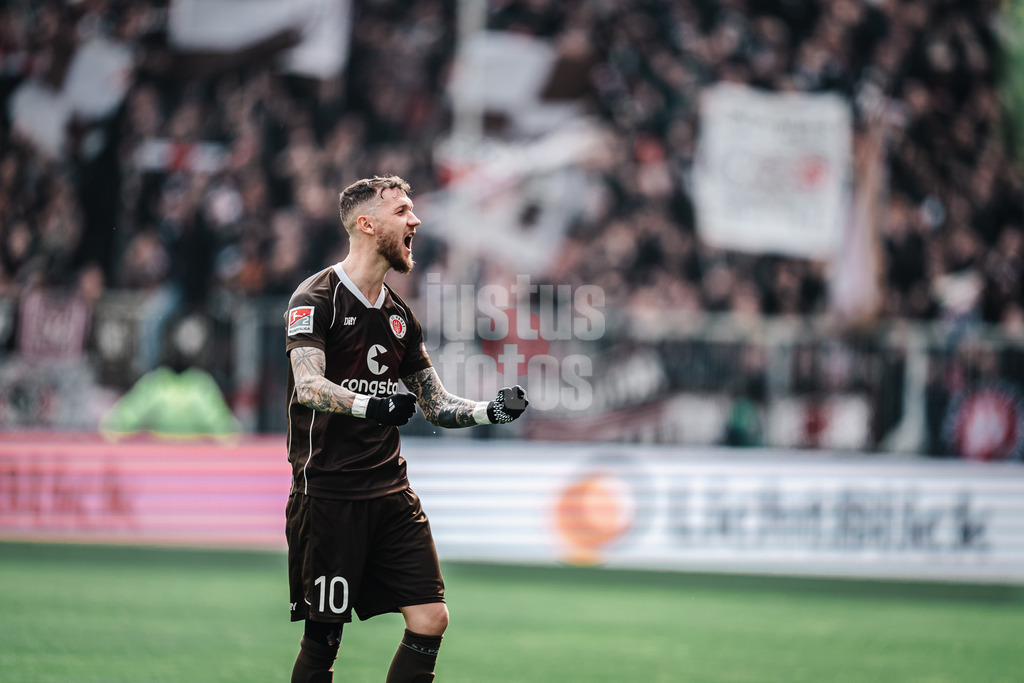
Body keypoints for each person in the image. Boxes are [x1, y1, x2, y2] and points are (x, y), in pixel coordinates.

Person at [284, 174, 528, 682]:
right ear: (366, 224)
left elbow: (435, 404)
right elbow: (309, 385)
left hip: (391, 492)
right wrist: (371, 407)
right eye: (402, 211)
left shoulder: (401, 318)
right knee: (324, 637)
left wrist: (492, 412)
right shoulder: (315, 298)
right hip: (328, 492)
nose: (415, 220)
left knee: (431, 617)